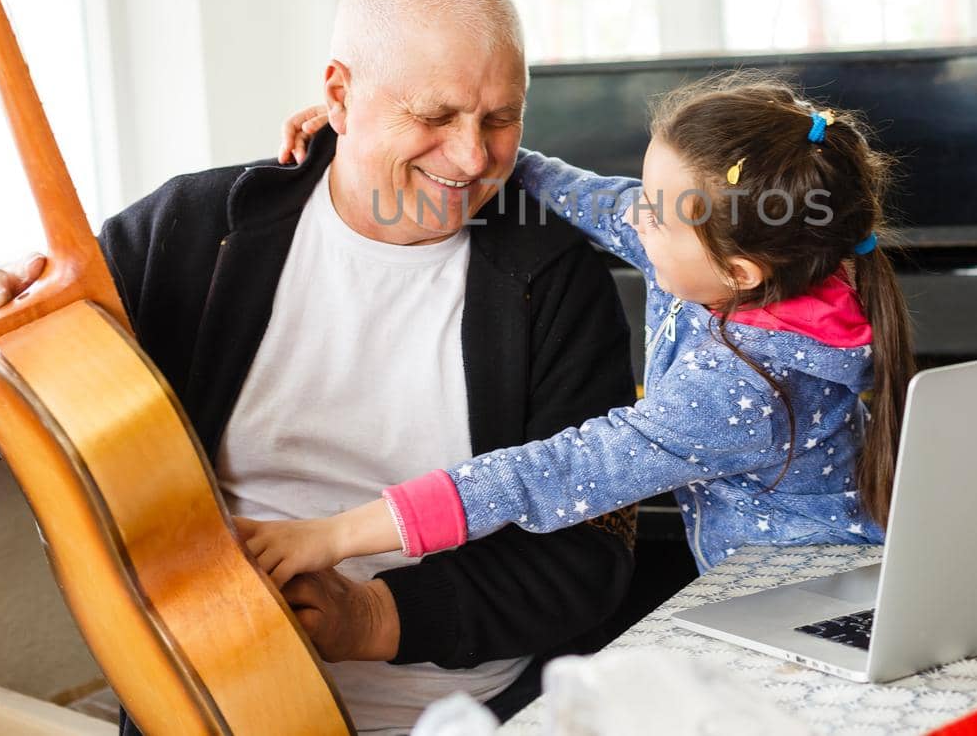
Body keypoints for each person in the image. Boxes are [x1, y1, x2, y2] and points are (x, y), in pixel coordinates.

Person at [0, 0, 637, 736]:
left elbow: (588, 560)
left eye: (502, 118)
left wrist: (370, 615)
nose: (473, 158)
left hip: (465, 713)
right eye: (435, 117)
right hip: (205, 706)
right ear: (339, 94)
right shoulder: (192, 229)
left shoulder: (559, 279)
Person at [247, 73, 915, 582]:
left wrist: (334, 536)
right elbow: (590, 196)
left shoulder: (738, 393)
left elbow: (547, 473)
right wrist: (384, 130)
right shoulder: (767, 254)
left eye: (656, 211)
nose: (637, 215)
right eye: (651, 192)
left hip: (809, 603)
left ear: (739, 272)